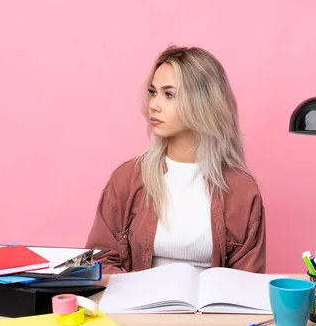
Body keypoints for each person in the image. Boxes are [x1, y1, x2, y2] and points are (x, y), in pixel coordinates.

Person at [85, 45, 266, 274]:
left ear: (204, 103)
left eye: (169, 94)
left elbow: (245, 282)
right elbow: (100, 260)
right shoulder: (127, 179)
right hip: (137, 307)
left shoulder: (242, 190)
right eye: (153, 92)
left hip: (211, 309)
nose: (154, 105)